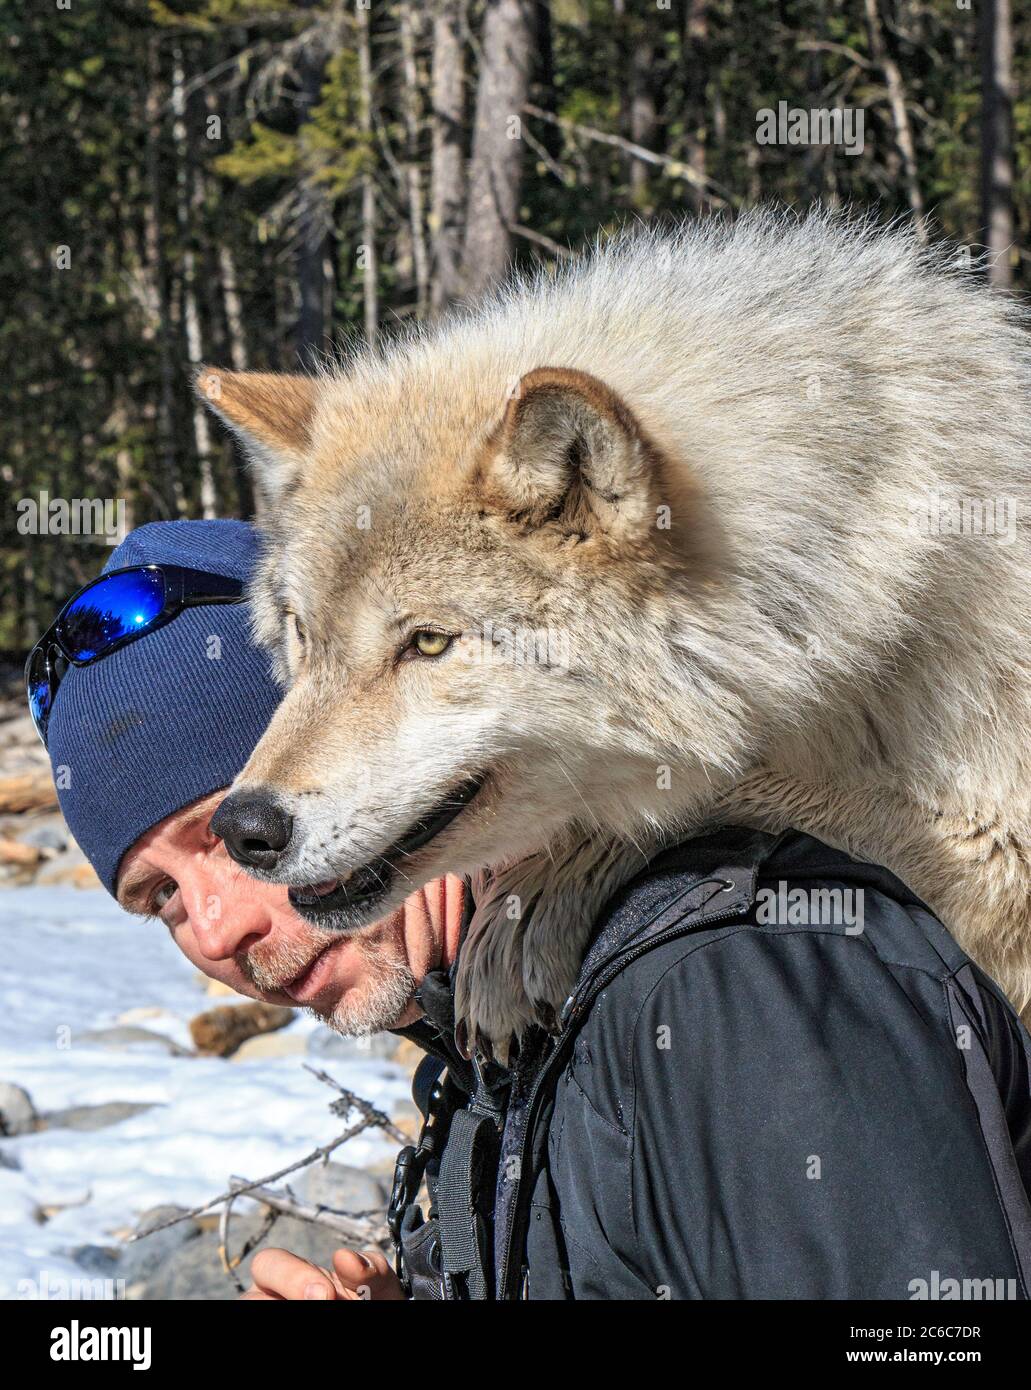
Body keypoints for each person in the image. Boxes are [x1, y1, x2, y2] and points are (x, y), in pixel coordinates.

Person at [31, 520, 1031, 1301]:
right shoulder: (502, 1044)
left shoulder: (722, 981)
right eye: (157, 896)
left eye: (234, 837)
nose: (212, 931)